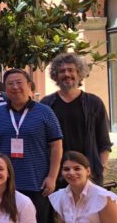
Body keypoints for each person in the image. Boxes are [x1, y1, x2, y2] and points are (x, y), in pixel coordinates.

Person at [0, 68, 62, 223]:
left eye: (19, 82)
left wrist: (52, 177)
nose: (15, 87)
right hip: (8, 183)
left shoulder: (45, 112)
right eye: (10, 84)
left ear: (29, 85)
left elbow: (56, 146)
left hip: (36, 181)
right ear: (5, 89)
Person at [40, 53, 112, 185]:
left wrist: (101, 169)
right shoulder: (46, 104)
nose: (66, 74)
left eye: (70, 70)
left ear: (79, 74)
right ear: (56, 76)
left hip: (87, 172)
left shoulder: (94, 103)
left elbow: (104, 141)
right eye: (62, 71)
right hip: (56, 174)